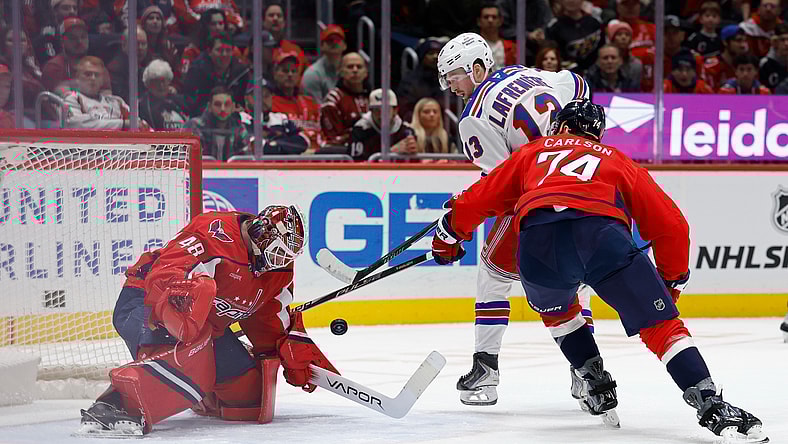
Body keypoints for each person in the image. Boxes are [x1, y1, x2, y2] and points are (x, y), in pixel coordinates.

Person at [430, 99, 768, 443]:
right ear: (597, 135)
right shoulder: (615, 159)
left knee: (559, 311)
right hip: (601, 239)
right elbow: (672, 225)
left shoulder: (533, 152)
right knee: (661, 327)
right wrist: (669, 282)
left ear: (560, 127)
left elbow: (479, 199)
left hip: (536, 246)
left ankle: (593, 379)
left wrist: (449, 234)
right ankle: (710, 404)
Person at [76, 206, 338, 437]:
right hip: (149, 306)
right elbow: (164, 274)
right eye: (279, 252)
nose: (281, 262)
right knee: (193, 346)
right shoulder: (215, 233)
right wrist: (184, 302)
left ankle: (199, 389)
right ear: (262, 234)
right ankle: (117, 403)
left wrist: (285, 346)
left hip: (203, 328)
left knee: (249, 398)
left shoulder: (277, 271)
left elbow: (266, 316)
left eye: (287, 256)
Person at [437, 32, 593, 407]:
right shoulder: (529, 74)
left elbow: (502, 185)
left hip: (539, 196)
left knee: (492, 273)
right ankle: (586, 377)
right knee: (577, 279)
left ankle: (485, 373)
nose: (451, 85)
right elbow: (578, 85)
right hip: (586, 187)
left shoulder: (473, 116)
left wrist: (462, 213)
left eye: (454, 75)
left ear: (477, 68)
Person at [59, 56, 145, 130]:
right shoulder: (72, 99)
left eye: (97, 75)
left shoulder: (116, 102)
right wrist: (122, 124)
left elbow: (137, 123)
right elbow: (77, 125)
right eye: (88, 74)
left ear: (103, 80)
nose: (93, 78)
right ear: (77, 77)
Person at [242, 78, 309, 155]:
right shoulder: (243, 120)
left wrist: (276, 145)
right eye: (258, 95)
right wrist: (287, 144)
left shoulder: (281, 118)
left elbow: (303, 142)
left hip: (283, 165)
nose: (263, 100)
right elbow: (261, 149)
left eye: (266, 95)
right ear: (247, 98)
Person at [349, 88, 417, 161]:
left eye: (386, 110)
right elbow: (356, 164)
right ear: (370, 111)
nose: (381, 115)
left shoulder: (406, 130)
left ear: (395, 110)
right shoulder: (360, 129)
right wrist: (391, 152)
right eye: (377, 110)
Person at [185, 85, 251, 160]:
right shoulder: (194, 126)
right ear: (209, 106)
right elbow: (188, 160)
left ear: (233, 107)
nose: (223, 109)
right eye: (218, 104)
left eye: (227, 104)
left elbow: (245, 159)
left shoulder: (239, 129)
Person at [320, 52, 370, 147]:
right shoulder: (333, 100)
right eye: (350, 67)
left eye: (359, 67)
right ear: (341, 71)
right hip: (344, 153)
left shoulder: (373, 98)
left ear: (366, 72)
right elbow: (334, 138)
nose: (355, 70)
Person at [300, 25, 347, 104]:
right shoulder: (312, 74)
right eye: (329, 40)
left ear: (345, 46)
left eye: (337, 40)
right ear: (321, 46)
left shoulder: (351, 69)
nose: (333, 43)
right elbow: (314, 109)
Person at [139, 59, 189, 130]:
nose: (161, 85)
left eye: (163, 81)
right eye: (157, 81)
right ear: (148, 83)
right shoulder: (142, 105)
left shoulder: (178, 101)